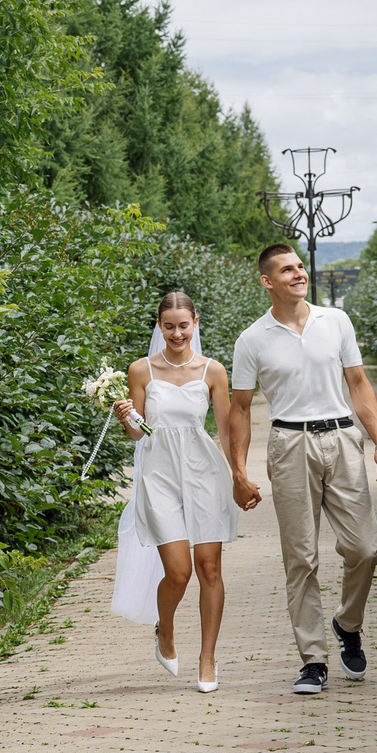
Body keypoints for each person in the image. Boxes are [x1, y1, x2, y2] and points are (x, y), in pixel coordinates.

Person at [220, 243, 377, 696]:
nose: (299, 274)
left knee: (365, 548)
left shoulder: (334, 321)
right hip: (288, 443)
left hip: (341, 438)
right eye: (287, 269)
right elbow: (239, 410)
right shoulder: (251, 339)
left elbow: (358, 383)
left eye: (300, 266)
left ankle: (347, 623)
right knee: (301, 557)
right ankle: (313, 659)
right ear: (267, 281)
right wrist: (238, 472)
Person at [107, 291, 250, 690]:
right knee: (178, 571)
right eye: (168, 326)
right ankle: (164, 628)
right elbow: (138, 432)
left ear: (195, 323)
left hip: (203, 472)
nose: (176, 333)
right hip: (159, 475)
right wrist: (125, 416)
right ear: (159, 326)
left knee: (209, 568)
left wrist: (239, 475)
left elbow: (225, 431)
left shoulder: (213, 371)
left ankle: (208, 660)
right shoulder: (141, 371)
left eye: (183, 325)